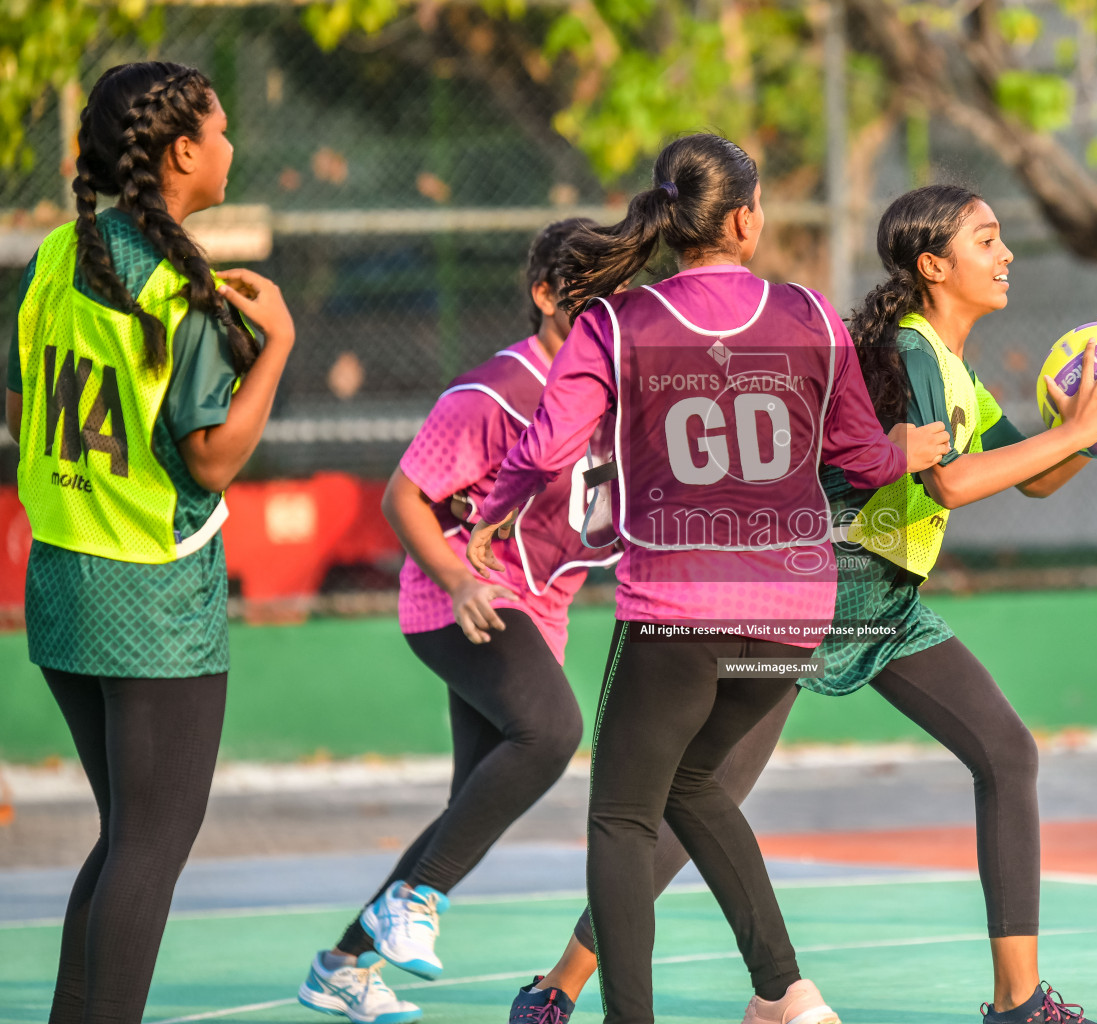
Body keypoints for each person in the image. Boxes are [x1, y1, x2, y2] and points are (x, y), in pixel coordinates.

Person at [520, 183, 1097, 1024]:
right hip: (831, 588)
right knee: (692, 794)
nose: (1006, 256)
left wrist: (1085, 426)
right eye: (988, 240)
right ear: (934, 265)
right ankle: (566, 985)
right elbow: (955, 481)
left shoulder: (955, 371)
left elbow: (1030, 475)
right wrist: (1076, 432)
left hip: (886, 601)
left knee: (1003, 754)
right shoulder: (912, 349)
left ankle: (1018, 1002)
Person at [464, 133, 949, 1024]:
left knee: (621, 817)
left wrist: (491, 511)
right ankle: (786, 993)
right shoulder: (809, 316)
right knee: (691, 785)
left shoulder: (613, 324)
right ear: (742, 219)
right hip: (792, 617)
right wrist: (906, 453)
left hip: (676, 613)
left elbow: (547, 448)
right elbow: (861, 457)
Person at [4, 61, 295, 1024]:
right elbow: (212, 462)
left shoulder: (55, 257)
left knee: (125, 835)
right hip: (153, 593)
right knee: (152, 843)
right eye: (219, 131)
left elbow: (17, 407)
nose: (231, 147)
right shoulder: (180, 290)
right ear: (181, 153)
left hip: (63, 576)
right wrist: (278, 349)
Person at [295, 218, 631, 1024]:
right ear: (543, 295)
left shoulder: (615, 391)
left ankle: (341, 964)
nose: (601, 314)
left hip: (535, 605)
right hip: (462, 598)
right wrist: (456, 579)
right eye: (583, 296)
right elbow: (401, 497)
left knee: (471, 807)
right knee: (550, 732)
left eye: (613, 298)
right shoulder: (494, 394)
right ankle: (413, 895)